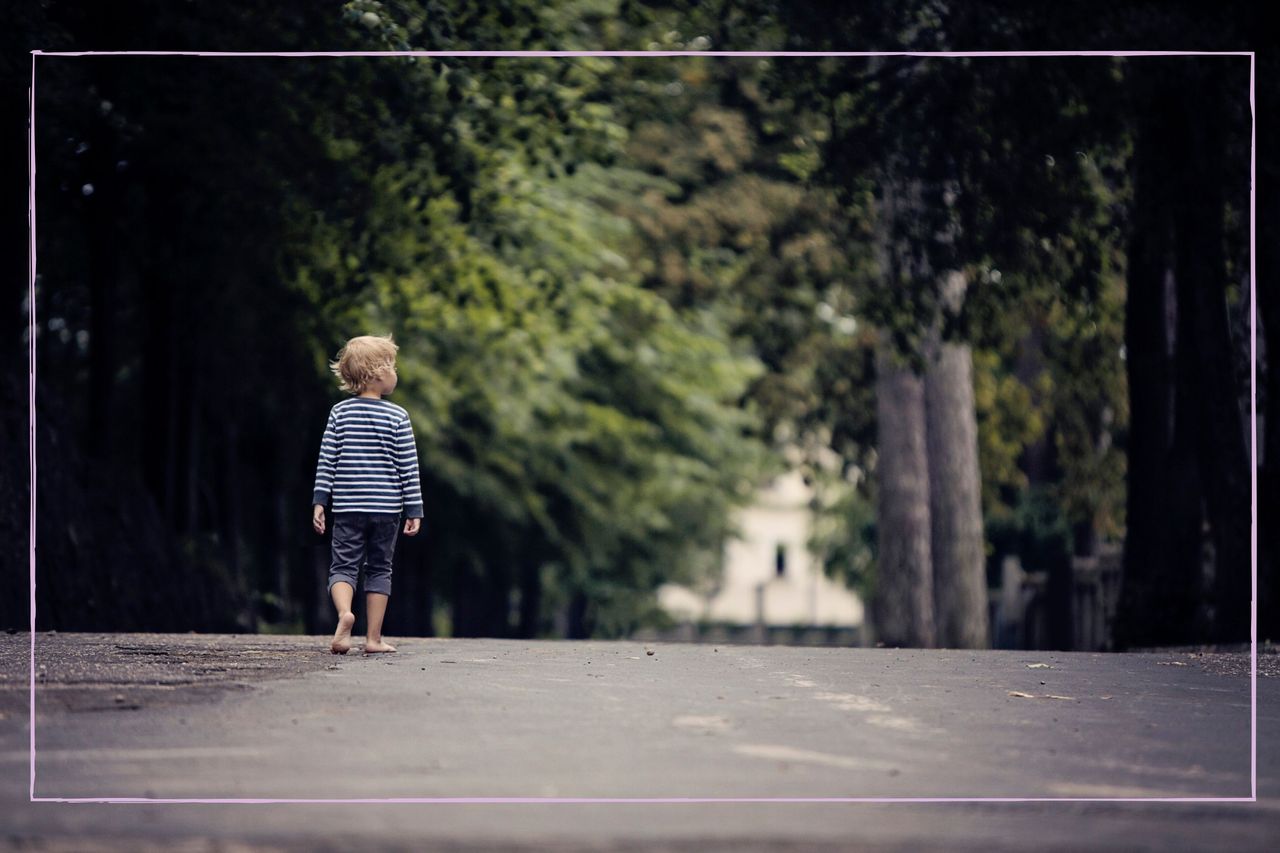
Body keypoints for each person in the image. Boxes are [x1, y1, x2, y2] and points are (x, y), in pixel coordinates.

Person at [311, 334, 422, 655]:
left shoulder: (339, 414)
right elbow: (408, 468)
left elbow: (326, 459)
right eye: (393, 366)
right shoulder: (397, 417)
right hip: (387, 509)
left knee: (343, 566)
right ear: (378, 372)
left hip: (348, 506)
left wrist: (320, 501)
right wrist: (414, 509)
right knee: (379, 569)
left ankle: (345, 615)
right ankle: (373, 639)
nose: (396, 372)